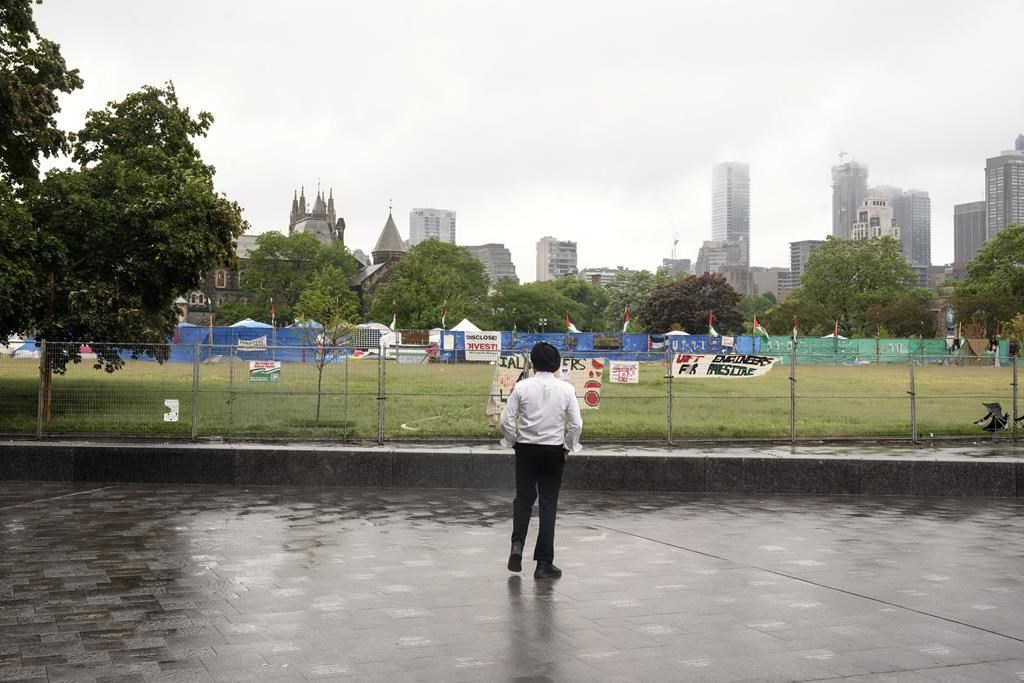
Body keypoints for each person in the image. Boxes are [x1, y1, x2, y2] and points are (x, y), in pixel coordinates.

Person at [500, 341, 583, 579]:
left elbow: (506, 421)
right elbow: (576, 424)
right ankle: (544, 562)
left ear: (533, 362)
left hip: (526, 450)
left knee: (523, 500)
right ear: (555, 364)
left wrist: (513, 440)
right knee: (548, 503)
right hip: (553, 452)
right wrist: (568, 446)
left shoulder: (522, 387)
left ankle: (517, 546)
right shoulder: (565, 389)